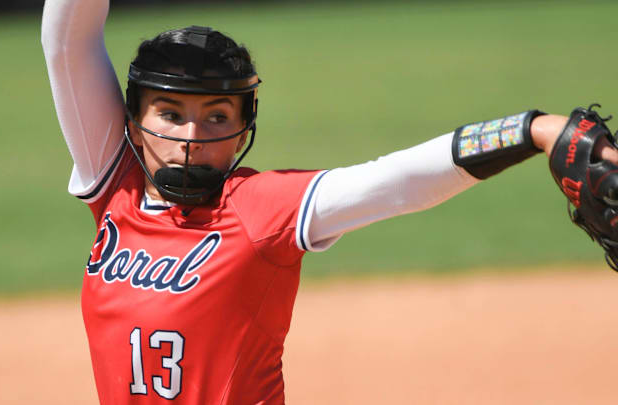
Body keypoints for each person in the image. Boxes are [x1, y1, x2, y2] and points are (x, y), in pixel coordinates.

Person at [41, 0, 617, 403]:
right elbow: (66, 38)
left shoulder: (260, 208)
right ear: (134, 124)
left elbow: (398, 182)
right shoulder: (114, 187)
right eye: (170, 114)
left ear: (243, 132)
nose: (192, 138)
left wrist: (531, 130)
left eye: (216, 117)